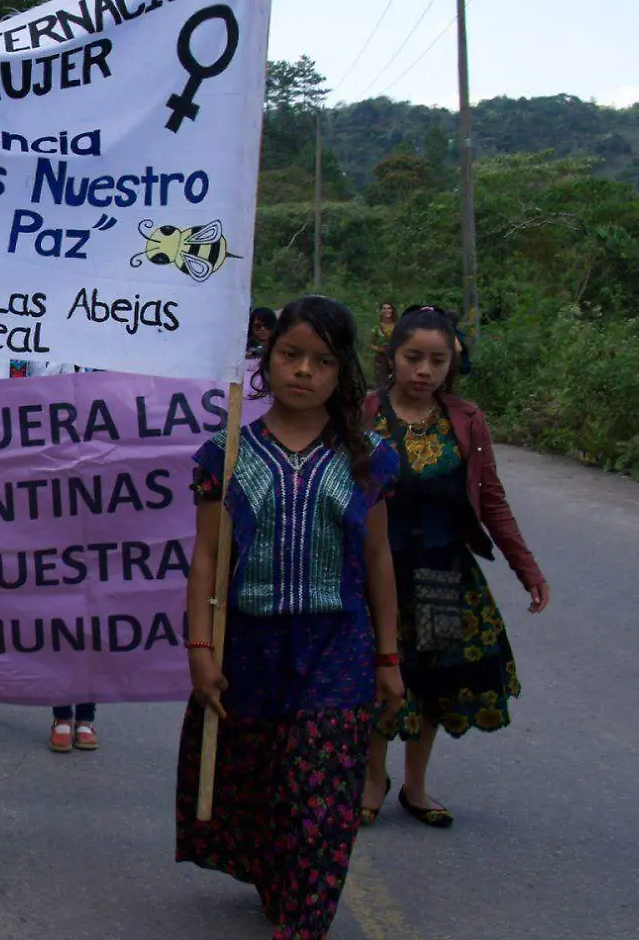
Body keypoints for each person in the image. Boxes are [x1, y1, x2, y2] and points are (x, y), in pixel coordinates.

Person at [178, 295, 406, 940]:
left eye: (322, 360)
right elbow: (206, 557)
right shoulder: (224, 456)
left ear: (342, 373)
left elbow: (380, 561)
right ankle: (282, 886)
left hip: (337, 643)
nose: (303, 371)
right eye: (290, 354)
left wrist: (388, 657)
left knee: (322, 785)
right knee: (267, 782)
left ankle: (305, 922)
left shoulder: (367, 460)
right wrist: (200, 647)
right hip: (249, 645)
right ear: (266, 359)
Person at [360, 306, 550, 828]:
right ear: (391, 358)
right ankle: (373, 778)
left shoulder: (465, 419)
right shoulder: (365, 414)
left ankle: (416, 787)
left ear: (451, 365)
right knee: (381, 674)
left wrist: (526, 567)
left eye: (436, 360)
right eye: (413, 357)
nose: (424, 370)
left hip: (443, 572)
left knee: (436, 682)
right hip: (377, 574)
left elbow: (492, 500)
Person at [0, 354, 97, 755]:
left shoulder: (55, 347)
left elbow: (66, 411)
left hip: (40, 487)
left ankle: (70, 711)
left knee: (58, 599)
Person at [368, 302, 397, 388]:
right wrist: (379, 349)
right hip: (381, 358)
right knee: (381, 382)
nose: (387, 310)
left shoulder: (398, 326)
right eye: (384, 308)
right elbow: (370, 344)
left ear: (392, 310)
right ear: (381, 311)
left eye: (389, 308)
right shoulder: (377, 328)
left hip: (395, 356)